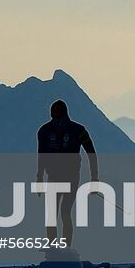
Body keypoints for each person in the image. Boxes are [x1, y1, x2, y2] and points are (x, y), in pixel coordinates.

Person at [34, 99, 98, 247]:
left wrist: (95, 179)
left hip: (70, 177)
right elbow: (42, 155)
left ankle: (66, 248)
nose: (58, 122)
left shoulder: (78, 130)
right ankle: (53, 247)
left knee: (64, 212)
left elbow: (91, 153)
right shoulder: (44, 131)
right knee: (53, 214)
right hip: (54, 177)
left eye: (59, 118)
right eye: (55, 117)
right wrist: (39, 178)